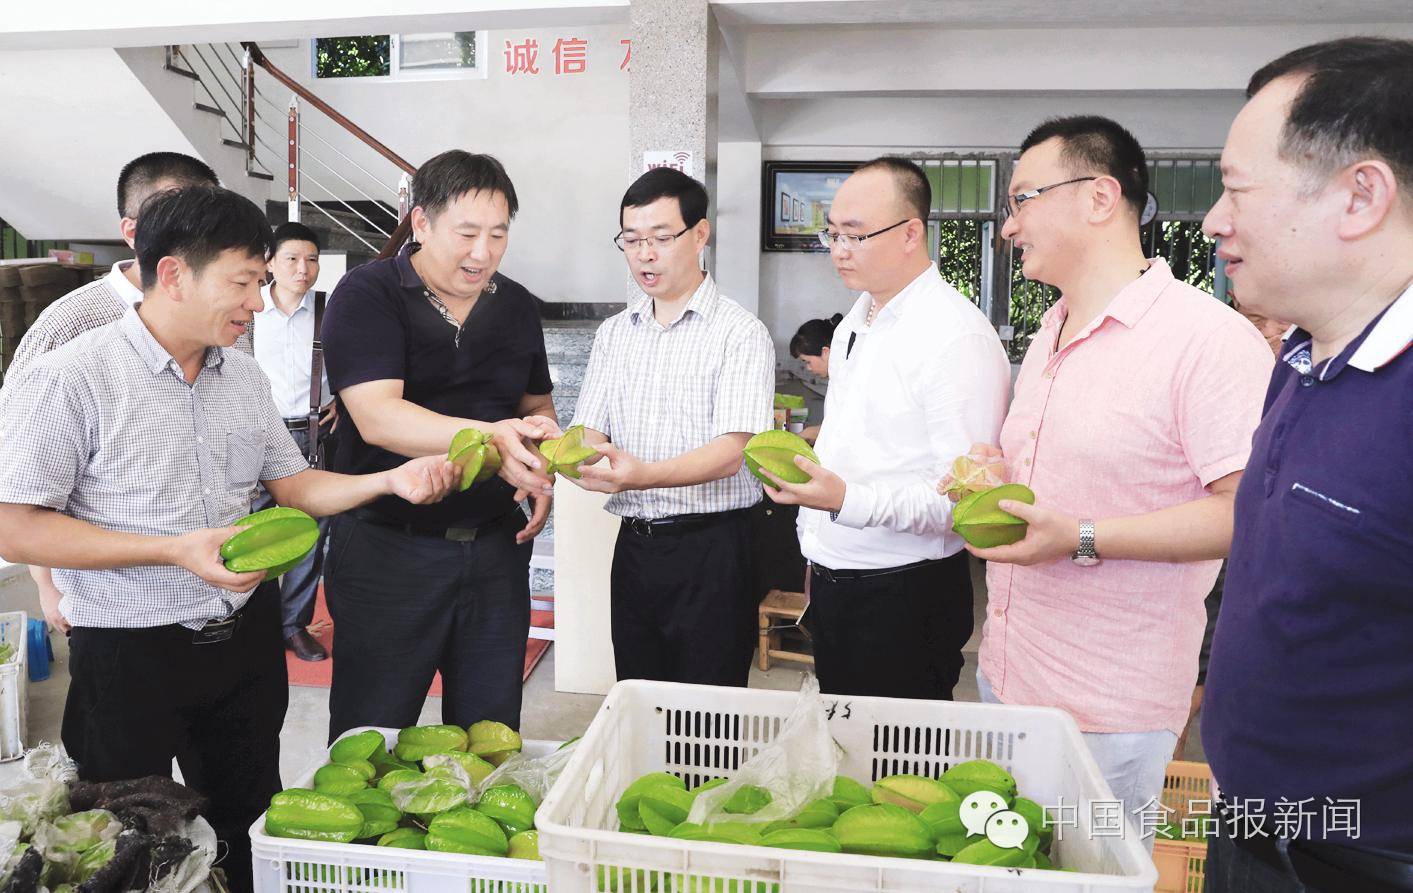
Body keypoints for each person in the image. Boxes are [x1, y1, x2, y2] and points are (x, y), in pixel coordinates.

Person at [0, 185, 459, 893]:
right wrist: (171, 550)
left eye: (262, 280)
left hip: (241, 644)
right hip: (129, 654)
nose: (255, 300)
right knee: (125, 841)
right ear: (175, 273)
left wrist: (388, 482)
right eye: (243, 281)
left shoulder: (241, 377)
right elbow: (16, 520)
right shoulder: (72, 377)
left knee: (250, 819)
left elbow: (293, 484)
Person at [949, 116, 1273, 841]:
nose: (1007, 226)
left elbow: (1248, 513)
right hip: (1008, 671)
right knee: (1008, 862)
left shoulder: (1205, 339)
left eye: (1023, 199)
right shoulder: (1051, 330)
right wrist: (991, 479)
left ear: (1099, 196)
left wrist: (1081, 537)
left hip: (1108, 702)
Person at [1199, 37, 1413, 891]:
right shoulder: (1302, 360)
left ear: (1360, 195)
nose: (1213, 220)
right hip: (1253, 830)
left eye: (1234, 188)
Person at [320, 150, 557, 741]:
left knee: (489, 733)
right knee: (369, 737)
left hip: (494, 553)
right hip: (387, 549)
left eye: (498, 234)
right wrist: (491, 438)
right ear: (421, 223)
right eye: (468, 233)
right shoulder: (368, 293)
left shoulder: (518, 306)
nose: (483, 252)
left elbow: (535, 407)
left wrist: (540, 454)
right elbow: (377, 417)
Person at [762, 156, 1011, 701]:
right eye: (832, 234)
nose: (839, 250)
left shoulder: (953, 336)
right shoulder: (861, 316)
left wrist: (846, 499)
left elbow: (960, 503)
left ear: (910, 233)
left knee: (899, 768)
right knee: (849, 758)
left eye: (856, 235)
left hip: (902, 591)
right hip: (836, 575)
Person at [566, 168, 774, 686]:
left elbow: (735, 450)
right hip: (635, 547)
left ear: (699, 235)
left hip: (714, 550)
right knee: (638, 694)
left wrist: (641, 475)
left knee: (709, 710)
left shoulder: (740, 333)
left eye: (661, 238)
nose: (645, 254)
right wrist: (564, 456)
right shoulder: (615, 333)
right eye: (631, 240)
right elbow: (589, 430)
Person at [0, 152, 220, 639]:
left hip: (216, 593)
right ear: (132, 231)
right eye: (179, 222)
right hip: (115, 605)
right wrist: (48, 584)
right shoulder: (69, 324)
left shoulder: (225, 311)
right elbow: (23, 472)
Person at [250, 222, 336, 661]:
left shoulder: (328, 309)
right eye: (292, 259)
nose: (303, 269)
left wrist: (340, 396)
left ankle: (292, 625)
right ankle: (253, 622)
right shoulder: (246, 311)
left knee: (308, 533)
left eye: (312, 259)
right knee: (253, 531)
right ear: (269, 262)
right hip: (256, 433)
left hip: (311, 433)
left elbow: (352, 361)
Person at [788, 313, 842, 443]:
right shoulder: (838, 379)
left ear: (825, 352)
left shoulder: (846, 382)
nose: (808, 368)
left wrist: (809, 433)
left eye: (807, 361)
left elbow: (847, 427)